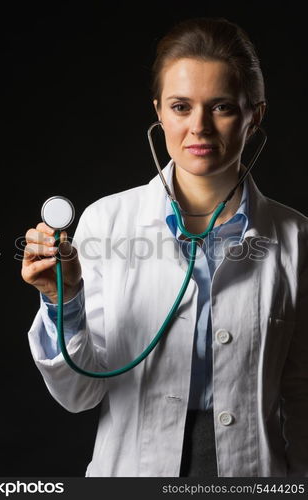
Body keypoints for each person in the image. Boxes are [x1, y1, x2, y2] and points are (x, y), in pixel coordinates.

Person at [21, 17, 308, 477]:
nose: (199, 127)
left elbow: (301, 394)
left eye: (221, 107)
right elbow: (79, 394)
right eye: (180, 106)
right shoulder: (106, 222)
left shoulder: (296, 238)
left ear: (255, 114)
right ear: (158, 111)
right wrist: (62, 299)